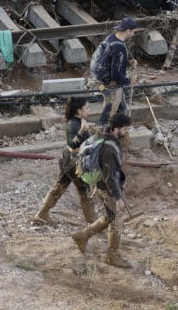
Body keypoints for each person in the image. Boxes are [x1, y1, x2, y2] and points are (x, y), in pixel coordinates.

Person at [70, 114, 132, 268]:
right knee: (116, 219)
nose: (127, 132)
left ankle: (83, 236)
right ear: (116, 129)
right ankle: (113, 256)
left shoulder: (106, 135)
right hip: (107, 188)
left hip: (103, 186)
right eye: (125, 129)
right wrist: (118, 198)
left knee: (110, 216)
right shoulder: (109, 149)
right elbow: (110, 176)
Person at [31, 97, 96, 226]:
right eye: (87, 107)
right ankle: (93, 223)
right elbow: (72, 144)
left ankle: (42, 214)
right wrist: (82, 132)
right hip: (74, 161)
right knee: (84, 192)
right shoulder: (74, 124)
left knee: (60, 186)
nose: (89, 110)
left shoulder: (79, 121)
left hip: (68, 161)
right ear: (79, 110)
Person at [92, 17, 137, 127]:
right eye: (133, 31)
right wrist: (129, 80)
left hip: (101, 78)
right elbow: (116, 75)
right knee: (109, 112)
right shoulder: (119, 47)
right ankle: (103, 130)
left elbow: (110, 60)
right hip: (112, 84)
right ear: (128, 31)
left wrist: (128, 62)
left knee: (122, 109)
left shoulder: (111, 38)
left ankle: (121, 129)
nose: (133, 34)